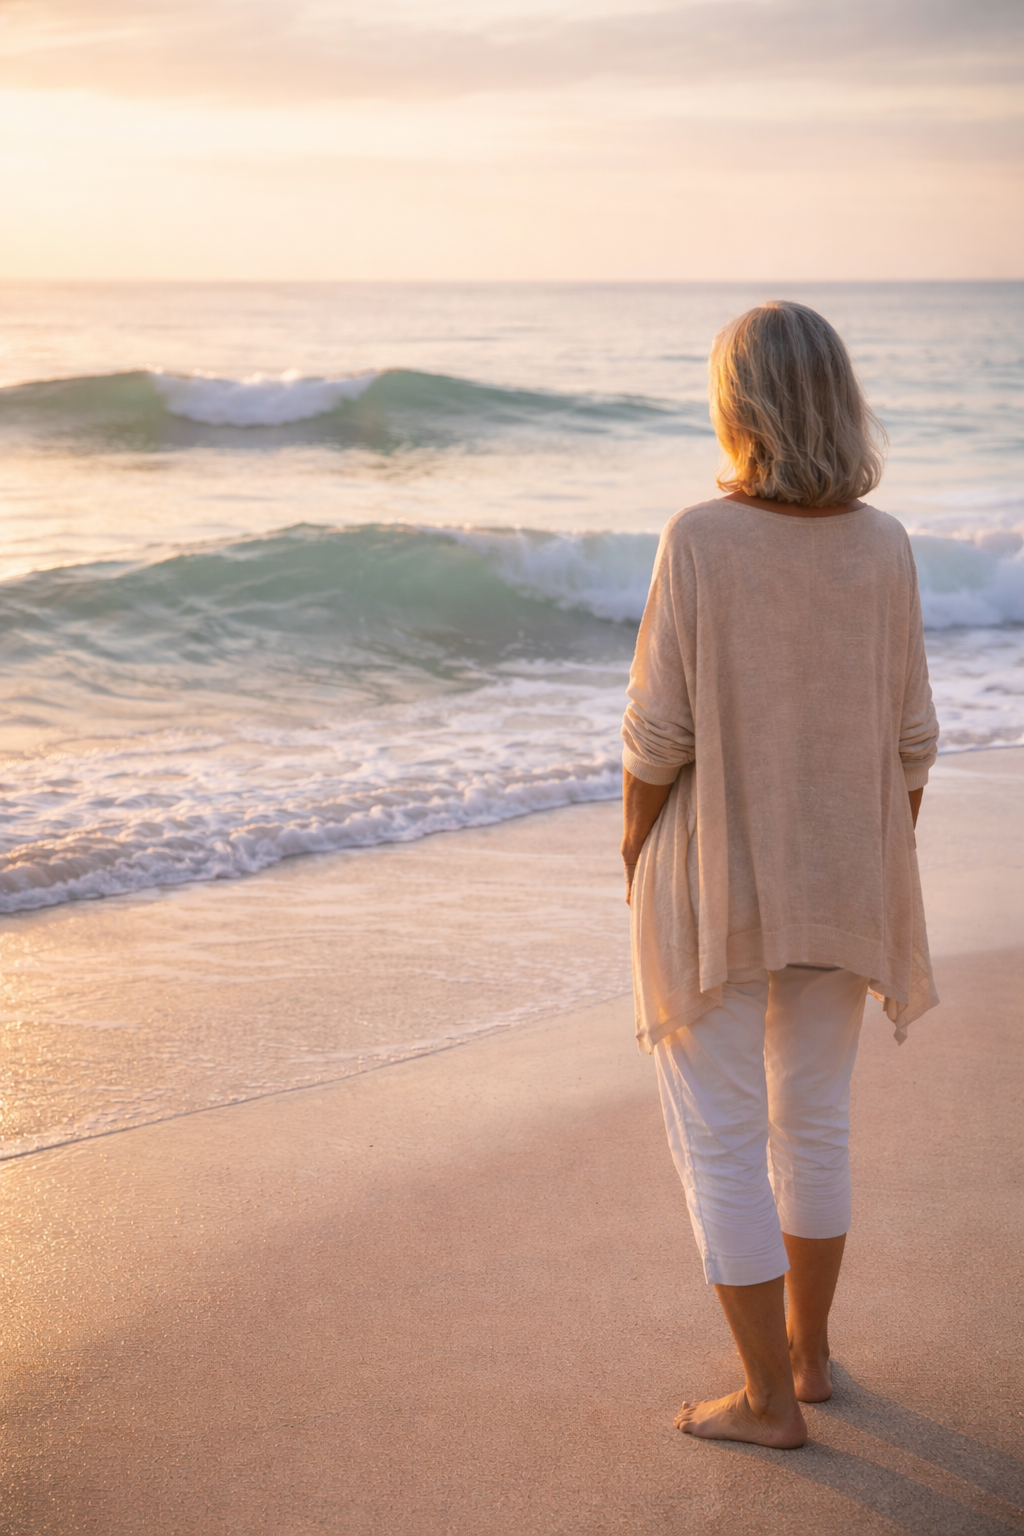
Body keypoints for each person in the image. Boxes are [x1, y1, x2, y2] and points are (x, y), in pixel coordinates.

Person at [620, 300, 939, 1449]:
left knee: (720, 1138)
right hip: (845, 875)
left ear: (736, 405)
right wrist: (870, 849)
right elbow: (911, 740)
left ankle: (762, 1404)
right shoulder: (883, 543)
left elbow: (655, 738)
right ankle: (806, 1362)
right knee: (813, 1125)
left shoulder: (698, 540)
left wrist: (629, 852)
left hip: (717, 879)